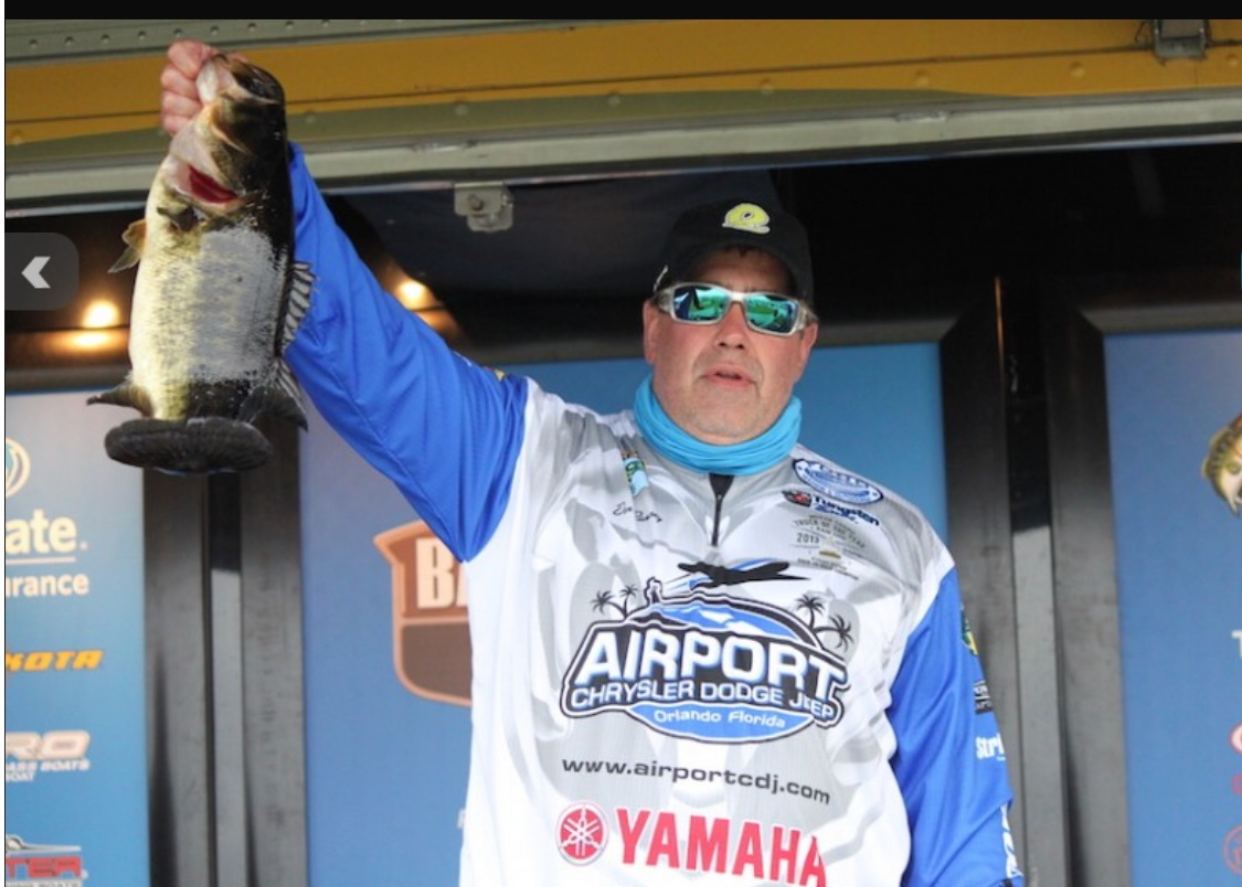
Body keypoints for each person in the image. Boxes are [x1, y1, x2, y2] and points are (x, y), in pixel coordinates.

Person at [162, 40, 1023, 887]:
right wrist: (254, 167)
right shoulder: (528, 460)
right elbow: (364, 349)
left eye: (767, 309)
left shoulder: (898, 545)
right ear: (654, 325)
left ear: (803, 344)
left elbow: (963, 832)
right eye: (700, 300)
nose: (733, 329)